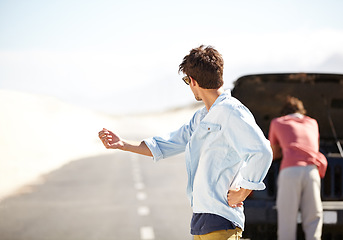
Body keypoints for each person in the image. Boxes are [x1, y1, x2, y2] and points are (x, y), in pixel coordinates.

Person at [99, 45, 273, 240]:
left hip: (221, 219)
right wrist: (123, 144)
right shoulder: (201, 118)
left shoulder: (231, 111)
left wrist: (243, 192)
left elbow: (262, 151)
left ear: (193, 81)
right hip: (201, 219)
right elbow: (165, 144)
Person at [268, 96, 327, 240]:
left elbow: (273, 153)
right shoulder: (313, 123)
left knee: (287, 217)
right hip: (312, 171)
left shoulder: (277, 122)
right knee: (313, 215)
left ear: (284, 112)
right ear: (301, 111)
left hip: (290, 171)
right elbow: (314, 146)